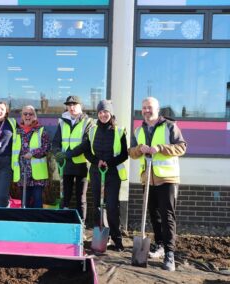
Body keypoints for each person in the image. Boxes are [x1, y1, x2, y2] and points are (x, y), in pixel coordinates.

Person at [129, 97, 186, 272]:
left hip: (167, 179)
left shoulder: (170, 126)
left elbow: (182, 147)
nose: (146, 110)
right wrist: (140, 149)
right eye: (144, 107)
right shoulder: (139, 130)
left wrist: (160, 148)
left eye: (150, 107)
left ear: (158, 109)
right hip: (148, 179)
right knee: (154, 215)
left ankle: (170, 254)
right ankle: (159, 245)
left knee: (167, 216)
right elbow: (131, 152)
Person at [64, 100, 128, 251]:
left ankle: (117, 240)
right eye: (100, 112)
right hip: (96, 172)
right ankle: (103, 238)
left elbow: (124, 154)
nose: (103, 115)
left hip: (112, 173)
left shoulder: (119, 131)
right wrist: (96, 161)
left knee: (111, 206)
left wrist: (109, 163)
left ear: (111, 113)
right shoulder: (93, 130)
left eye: (105, 112)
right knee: (98, 206)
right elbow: (85, 150)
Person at [52, 96, 94, 222]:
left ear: (81, 106)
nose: (71, 107)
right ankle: (63, 223)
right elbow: (56, 142)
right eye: (69, 105)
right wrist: (57, 154)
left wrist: (68, 154)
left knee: (81, 198)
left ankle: (81, 225)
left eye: (74, 104)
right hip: (65, 165)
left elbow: (86, 144)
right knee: (65, 196)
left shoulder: (88, 121)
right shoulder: (62, 121)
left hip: (81, 164)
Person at [12, 105, 51, 208]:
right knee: (24, 202)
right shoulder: (16, 131)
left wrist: (32, 153)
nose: (28, 116)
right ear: (21, 116)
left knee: (37, 201)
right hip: (22, 173)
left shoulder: (41, 130)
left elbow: (46, 147)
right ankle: (25, 223)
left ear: (35, 116)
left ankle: (37, 222)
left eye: (31, 114)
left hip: (37, 175)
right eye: (25, 114)